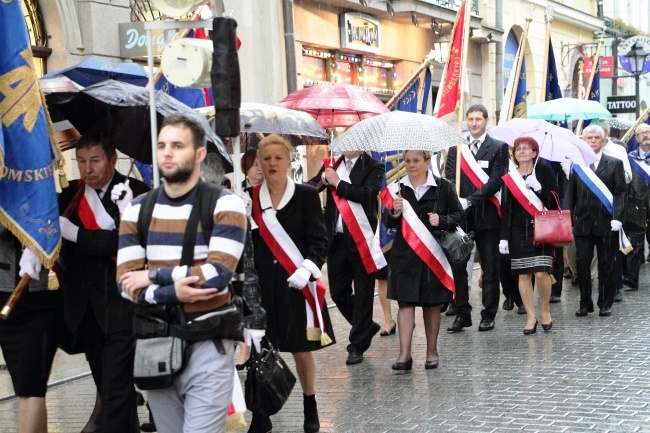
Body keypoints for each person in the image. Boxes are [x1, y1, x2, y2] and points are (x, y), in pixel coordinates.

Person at [117, 114, 247, 432]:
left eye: (177, 145)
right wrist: (174, 290)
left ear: (199, 154)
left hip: (208, 343)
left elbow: (216, 276)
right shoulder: (137, 210)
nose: (167, 153)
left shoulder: (226, 205)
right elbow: (125, 282)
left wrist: (154, 276)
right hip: (155, 343)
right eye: (162, 146)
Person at [57, 129, 149, 433]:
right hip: (86, 309)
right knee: (110, 387)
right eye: (80, 160)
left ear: (112, 160)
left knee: (115, 387)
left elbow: (126, 243)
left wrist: (77, 235)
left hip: (124, 306)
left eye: (95, 160)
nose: (87, 169)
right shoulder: (70, 195)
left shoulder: (136, 191)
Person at [249, 134, 334, 433]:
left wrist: (308, 268)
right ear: (259, 161)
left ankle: (309, 404)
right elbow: (247, 247)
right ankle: (261, 413)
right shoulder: (248, 198)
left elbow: (319, 240)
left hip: (297, 285)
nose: (272, 163)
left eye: (278, 157)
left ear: (289, 161)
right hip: (261, 287)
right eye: (266, 158)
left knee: (300, 349)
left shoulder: (306, 195)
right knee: (259, 350)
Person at [382, 150, 464, 371]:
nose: (411, 165)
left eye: (416, 161)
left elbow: (459, 215)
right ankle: (404, 355)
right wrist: (394, 214)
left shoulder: (443, 187)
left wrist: (442, 220)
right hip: (404, 255)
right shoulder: (397, 188)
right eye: (407, 161)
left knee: (431, 304)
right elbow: (387, 222)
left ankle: (431, 352)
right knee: (405, 303)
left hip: (432, 255)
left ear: (427, 162)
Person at [308, 150, 385, 365]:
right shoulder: (333, 162)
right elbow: (311, 185)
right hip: (337, 240)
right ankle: (365, 326)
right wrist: (320, 180)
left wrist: (337, 182)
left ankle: (357, 345)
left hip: (362, 238)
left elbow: (367, 195)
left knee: (363, 293)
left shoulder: (374, 166)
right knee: (339, 293)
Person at [444, 104, 509, 332]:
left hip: (489, 218)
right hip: (462, 219)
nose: (473, 123)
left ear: (486, 120)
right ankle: (462, 313)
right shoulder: (457, 149)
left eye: (478, 119)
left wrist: (470, 199)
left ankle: (488, 314)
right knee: (459, 267)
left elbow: (496, 181)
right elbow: (449, 178)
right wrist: (454, 199)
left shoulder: (499, 148)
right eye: (470, 119)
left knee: (490, 267)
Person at [0, 226, 64, 433]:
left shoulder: (48, 194)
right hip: (4, 297)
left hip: (41, 298)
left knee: (31, 386)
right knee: (26, 388)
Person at [499, 138, 559, 334]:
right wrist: (504, 238)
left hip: (542, 229)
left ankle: (545, 310)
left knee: (542, 273)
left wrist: (539, 188)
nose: (522, 151)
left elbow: (554, 202)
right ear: (514, 154)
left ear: (535, 153)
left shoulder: (543, 172)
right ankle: (531, 316)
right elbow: (506, 210)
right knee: (523, 275)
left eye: (527, 148)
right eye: (518, 149)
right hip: (518, 231)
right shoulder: (509, 178)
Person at [566, 124, 626, 317]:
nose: (592, 141)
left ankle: (605, 302)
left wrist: (618, 217)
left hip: (607, 222)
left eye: (596, 138)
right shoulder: (576, 165)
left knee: (606, 264)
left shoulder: (614, 163)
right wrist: (569, 220)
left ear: (603, 140)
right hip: (582, 223)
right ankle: (585, 303)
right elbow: (571, 195)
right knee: (582, 263)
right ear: (583, 141)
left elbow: (620, 194)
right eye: (589, 138)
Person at [623, 124, 650, 291]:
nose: (646, 135)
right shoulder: (629, 159)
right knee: (636, 242)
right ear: (637, 138)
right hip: (637, 205)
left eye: (648, 132)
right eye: (642, 133)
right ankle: (632, 279)